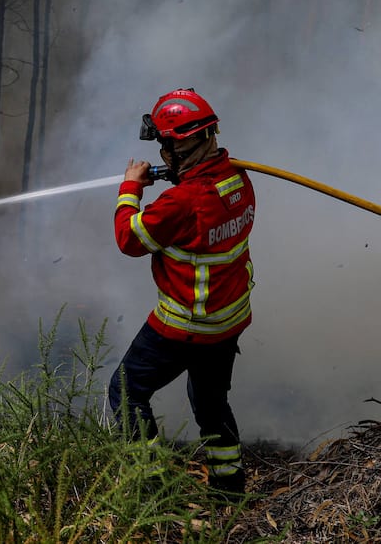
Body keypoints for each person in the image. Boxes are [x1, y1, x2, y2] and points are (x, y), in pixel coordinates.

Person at [109, 87, 256, 497]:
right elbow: (201, 212)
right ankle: (229, 489)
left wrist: (130, 189)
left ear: (181, 144)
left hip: (185, 324)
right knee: (210, 404)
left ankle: (150, 488)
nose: (161, 155)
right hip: (227, 321)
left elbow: (129, 239)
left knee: (126, 390)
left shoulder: (181, 202)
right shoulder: (239, 181)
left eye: (164, 145)